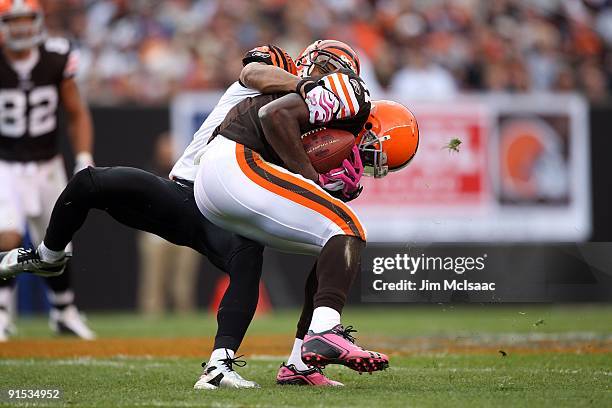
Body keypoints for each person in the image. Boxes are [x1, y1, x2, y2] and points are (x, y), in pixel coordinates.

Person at [0, 43, 353, 388]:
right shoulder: (267, 92)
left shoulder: (298, 121)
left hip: (224, 212)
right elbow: (252, 72)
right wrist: (301, 85)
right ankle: (48, 255)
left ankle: (223, 365)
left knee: (250, 258)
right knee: (89, 182)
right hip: (184, 192)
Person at [193, 41, 420, 377]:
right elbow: (275, 114)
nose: (367, 162)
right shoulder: (354, 95)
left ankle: (299, 362)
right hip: (233, 163)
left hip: (220, 184)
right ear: (373, 126)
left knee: (332, 243)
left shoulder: (325, 115)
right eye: (372, 152)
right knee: (348, 227)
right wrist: (311, 176)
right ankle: (326, 330)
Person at [0, 0, 94, 341]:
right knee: (7, 235)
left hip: (47, 161)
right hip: (6, 163)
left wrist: (83, 154)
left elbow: (76, 111)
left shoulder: (56, 56)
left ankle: (63, 311)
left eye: (27, 20)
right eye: (14, 21)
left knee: (57, 240)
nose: (22, 28)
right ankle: (1, 313)